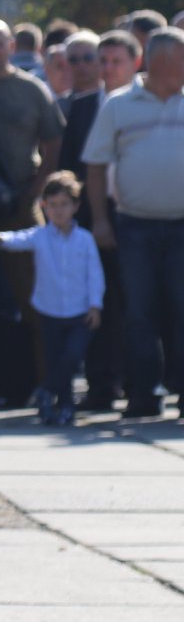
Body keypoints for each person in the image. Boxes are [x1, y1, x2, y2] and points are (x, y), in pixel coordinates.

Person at [81, 26, 184, 419]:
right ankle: (143, 395)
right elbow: (95, 167)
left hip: (182, 227)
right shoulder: (119, 106)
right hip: (135, 226)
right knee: (140, 313)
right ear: (162, 61)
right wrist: (102, 222)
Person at [0, 18, 65, 408]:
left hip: (24, 210)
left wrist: (35, 194)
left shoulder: (31, 89)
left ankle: (46, 385)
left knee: (34, 303)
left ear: (11, 45)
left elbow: (53, 142)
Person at [0, 171, 105, 425]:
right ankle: (63, 406)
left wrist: (95, 305)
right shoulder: (40, 236)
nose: (58, 211)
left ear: (76, 206)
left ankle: (46, 390)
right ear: (44, 206)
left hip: (79, 311)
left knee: (71, 357)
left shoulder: (84, 240)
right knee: (55, 359)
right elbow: (18, 239)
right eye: (53, 205)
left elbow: (95, 275)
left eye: (64, 205)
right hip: (50, 311)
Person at [56, 31, 124, 409]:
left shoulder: (154, 103)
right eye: (103, 61)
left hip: (142, 215)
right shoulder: (81, 107)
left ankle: (142, 383)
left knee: (142, 304)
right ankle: (101, 386)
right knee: (97, 302)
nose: (100, 68)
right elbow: (69, 169)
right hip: (92, 222)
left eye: (115, 60)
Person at [98, 29, 141, 94]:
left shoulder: (152, 101)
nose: (108, 68)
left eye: (116, 61)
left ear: (136, 63)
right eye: (103, 61)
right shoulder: (81, 103)